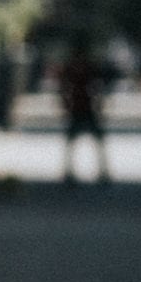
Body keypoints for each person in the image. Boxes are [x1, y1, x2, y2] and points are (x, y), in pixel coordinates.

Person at [57, 35, 108, 181]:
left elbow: (97, 86)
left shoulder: (86, 66)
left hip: (85, 105)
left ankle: (101, 172)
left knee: (93, 140)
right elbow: (64, 87)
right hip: (79, 105)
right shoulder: (76, 67)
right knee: (75, 141)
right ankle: (70, 172)